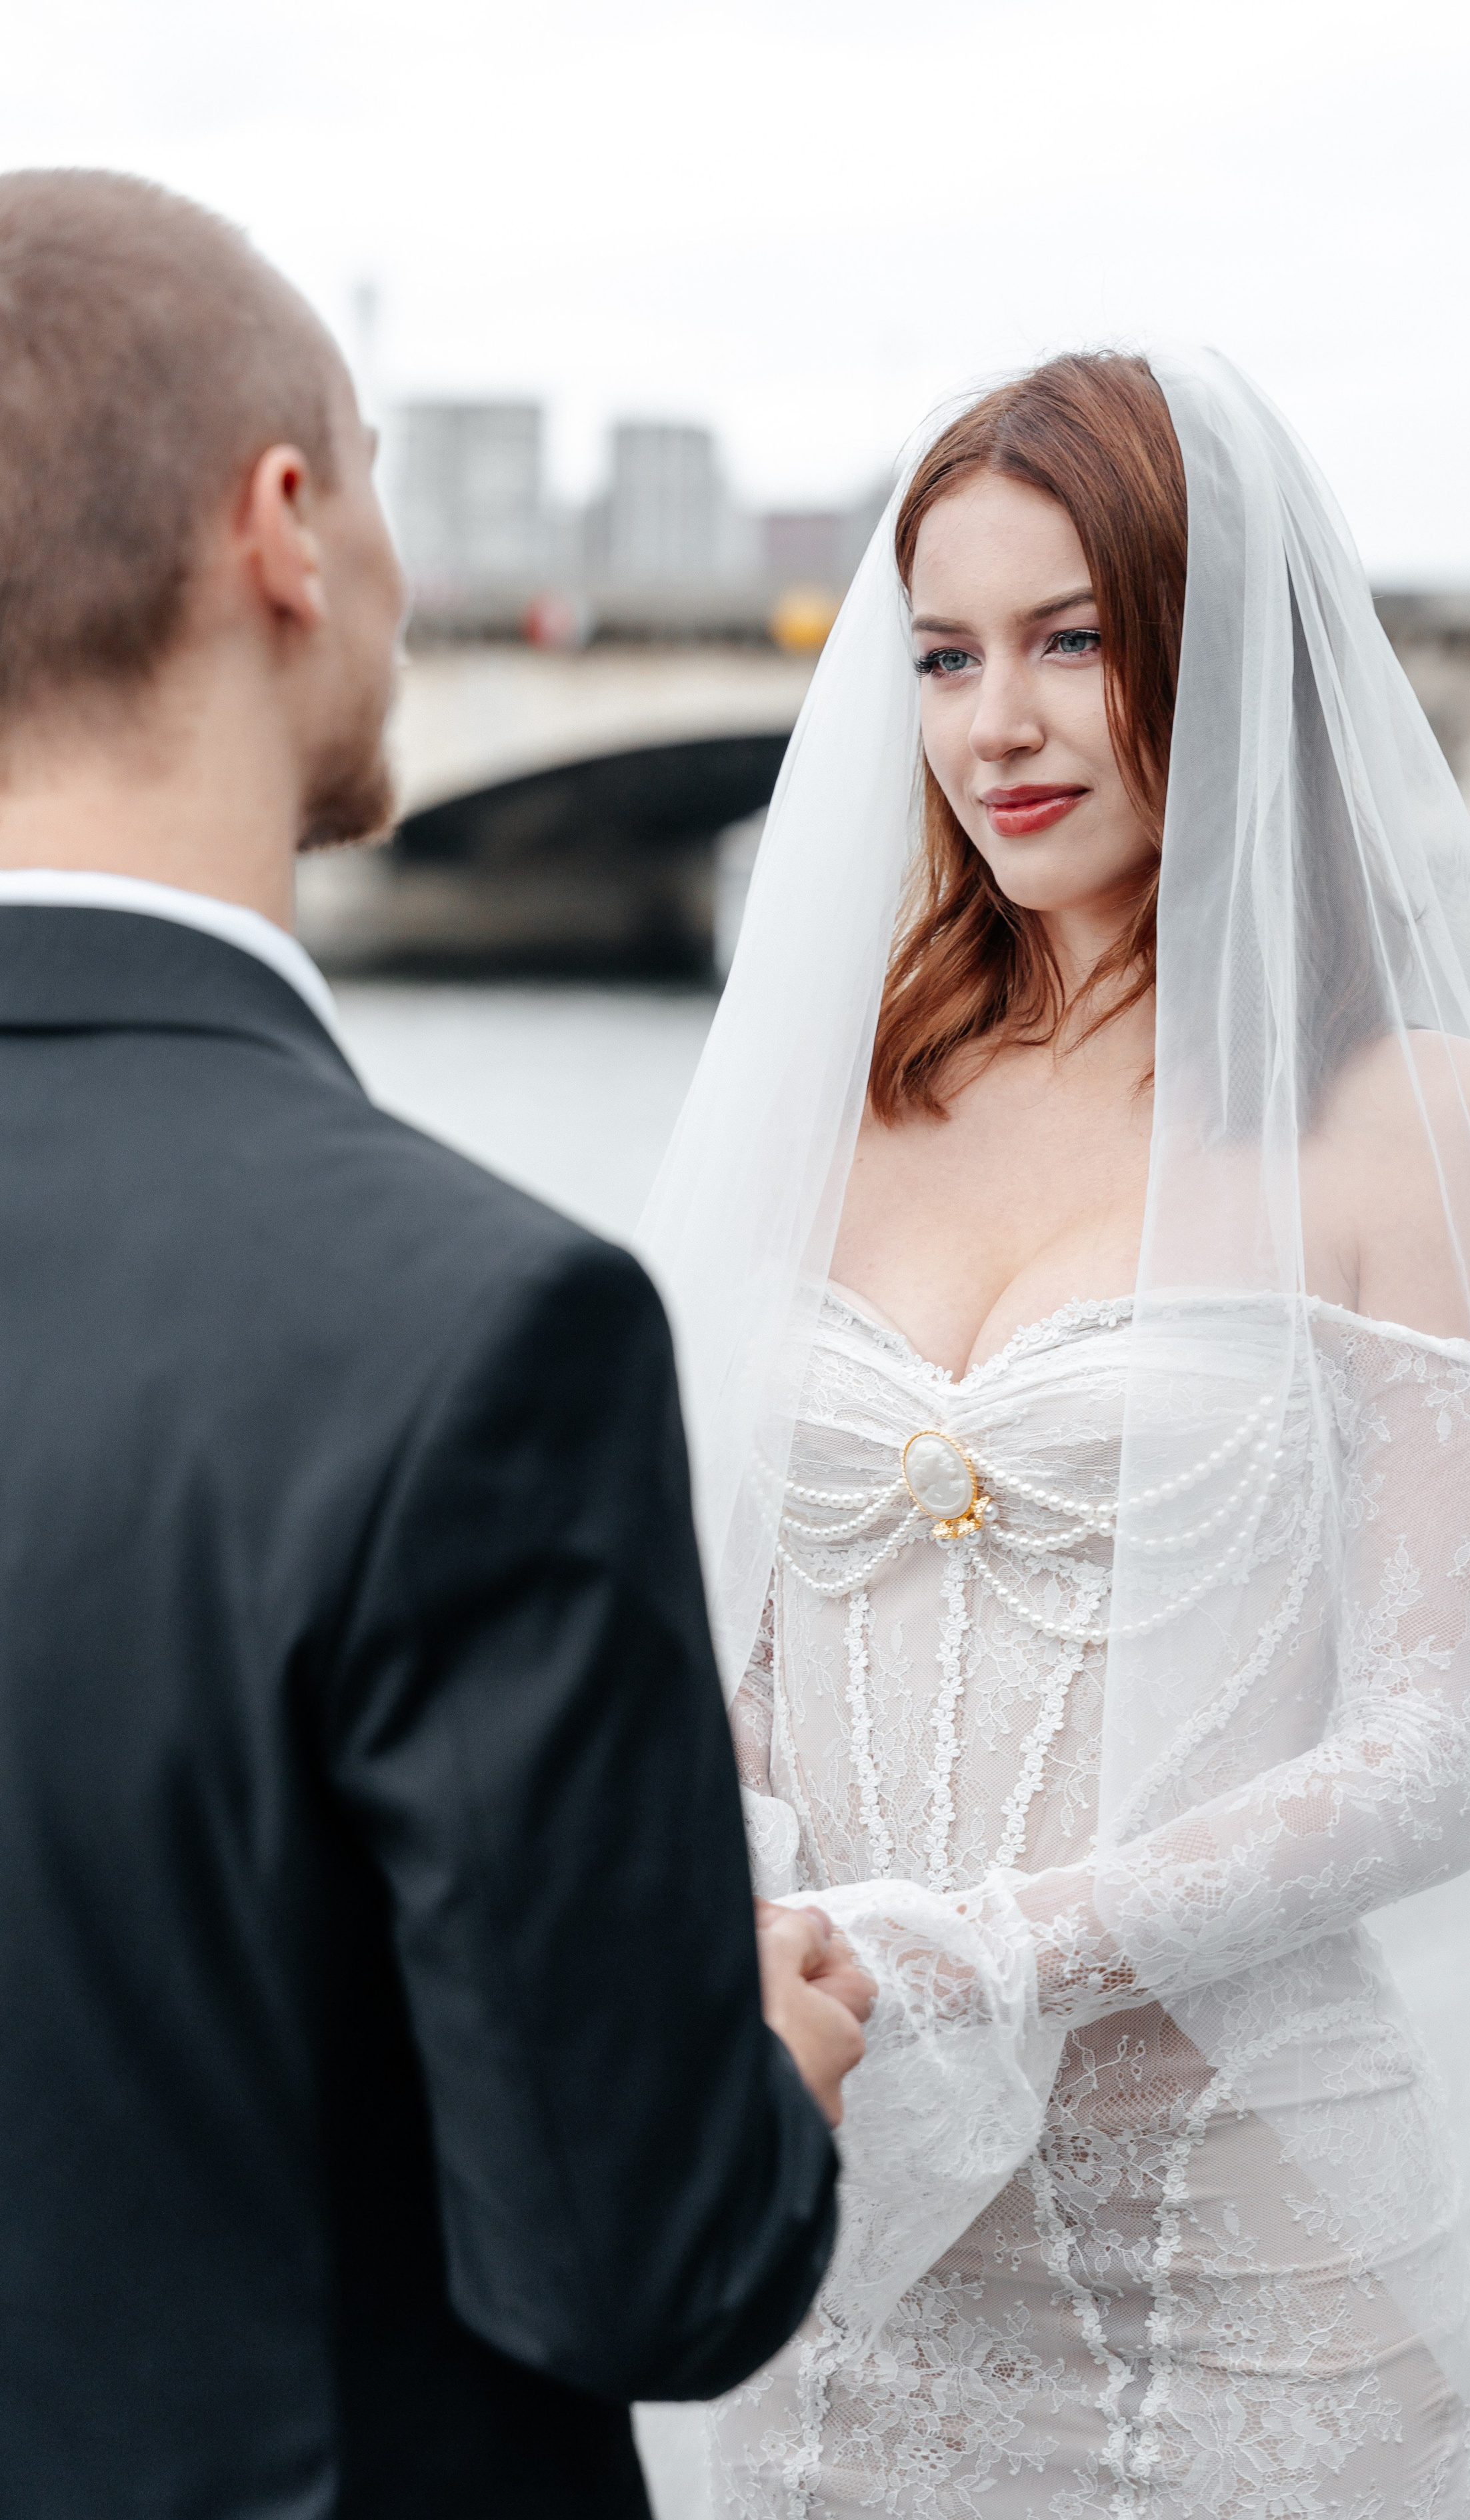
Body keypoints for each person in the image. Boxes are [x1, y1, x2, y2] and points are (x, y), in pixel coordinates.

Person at [640, 351, 1470, 2515]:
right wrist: (744, 1912)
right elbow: (727, 1647)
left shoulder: (1423, 1125)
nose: (1000, 726)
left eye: (1075, 640)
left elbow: (1432, 1751)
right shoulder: (843, 1100)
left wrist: (978, 1950)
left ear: (1217, 644)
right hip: (855, 2226)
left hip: (1242, 2247)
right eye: (948, 655)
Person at [0, 168, 868, 2520]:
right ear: (283, 524)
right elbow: (642, 2263)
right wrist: (754, 2074)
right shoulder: (472, 1334)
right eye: (375, 478)